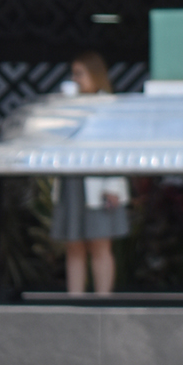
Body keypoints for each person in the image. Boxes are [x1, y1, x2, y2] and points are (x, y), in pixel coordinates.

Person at [51, 52, 128, 295]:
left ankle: (102, 300)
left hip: (98, 181)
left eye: (80, 74)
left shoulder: (108, 106)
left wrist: (113, 187)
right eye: (73, 74)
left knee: (100, 245)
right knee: (74, 245)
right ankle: (75, 300)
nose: (75, 79)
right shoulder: (68, 106)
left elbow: (118, 148)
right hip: (71, 179)